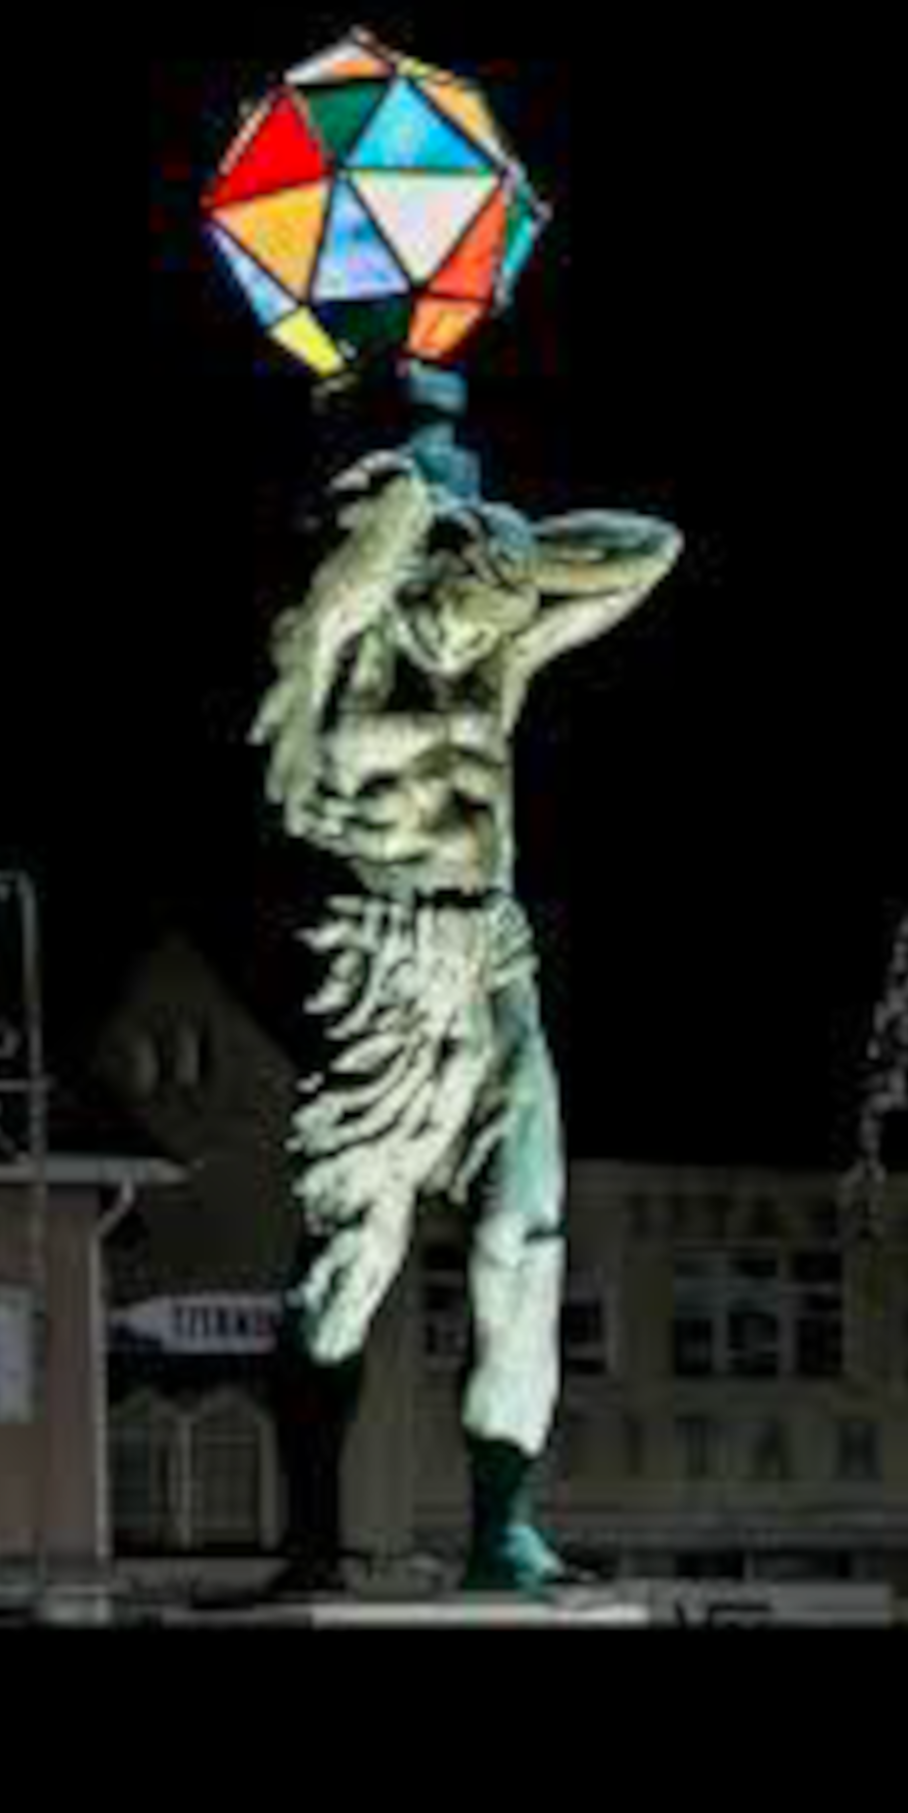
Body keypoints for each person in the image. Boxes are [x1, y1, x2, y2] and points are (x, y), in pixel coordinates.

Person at [252, 371, 682, 1593]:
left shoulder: (496, 663)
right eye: (458, 602)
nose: (475, 633)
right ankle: (315, 1542)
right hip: (380, 958)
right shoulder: (326, 655)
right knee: (352, 1262)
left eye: (496, 615)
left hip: (494, 954)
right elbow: (344, 597)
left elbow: (652, 549)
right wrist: (408, 505)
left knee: (522, 1237)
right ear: (409, 574)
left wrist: (510, 546)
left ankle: (505, 1528)